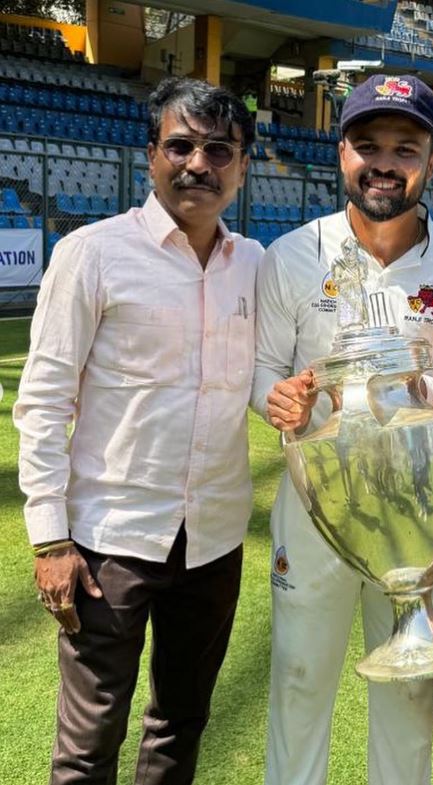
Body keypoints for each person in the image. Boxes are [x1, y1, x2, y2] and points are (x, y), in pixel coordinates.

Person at [252, 73, 433, 785]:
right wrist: (277, 401)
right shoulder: (293, 254)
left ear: (432, 159)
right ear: (342, 152)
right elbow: (264, 368)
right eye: (368, 144)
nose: (384, 163)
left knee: (410, 691)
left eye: (406, 147)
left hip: (421, 514)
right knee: (299, 678)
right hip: (316, 505)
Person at [13, 77, 262, 783]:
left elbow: (272, 377)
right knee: (89, 742)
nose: (198, 164)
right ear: (151, 154)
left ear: (242, 166)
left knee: (181, 724)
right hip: (109, 540)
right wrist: (50, 539)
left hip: (214, 539)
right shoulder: (92, 254)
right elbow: (44, 399)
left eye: (219, 150)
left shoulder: (255, 265)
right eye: (180, 146)